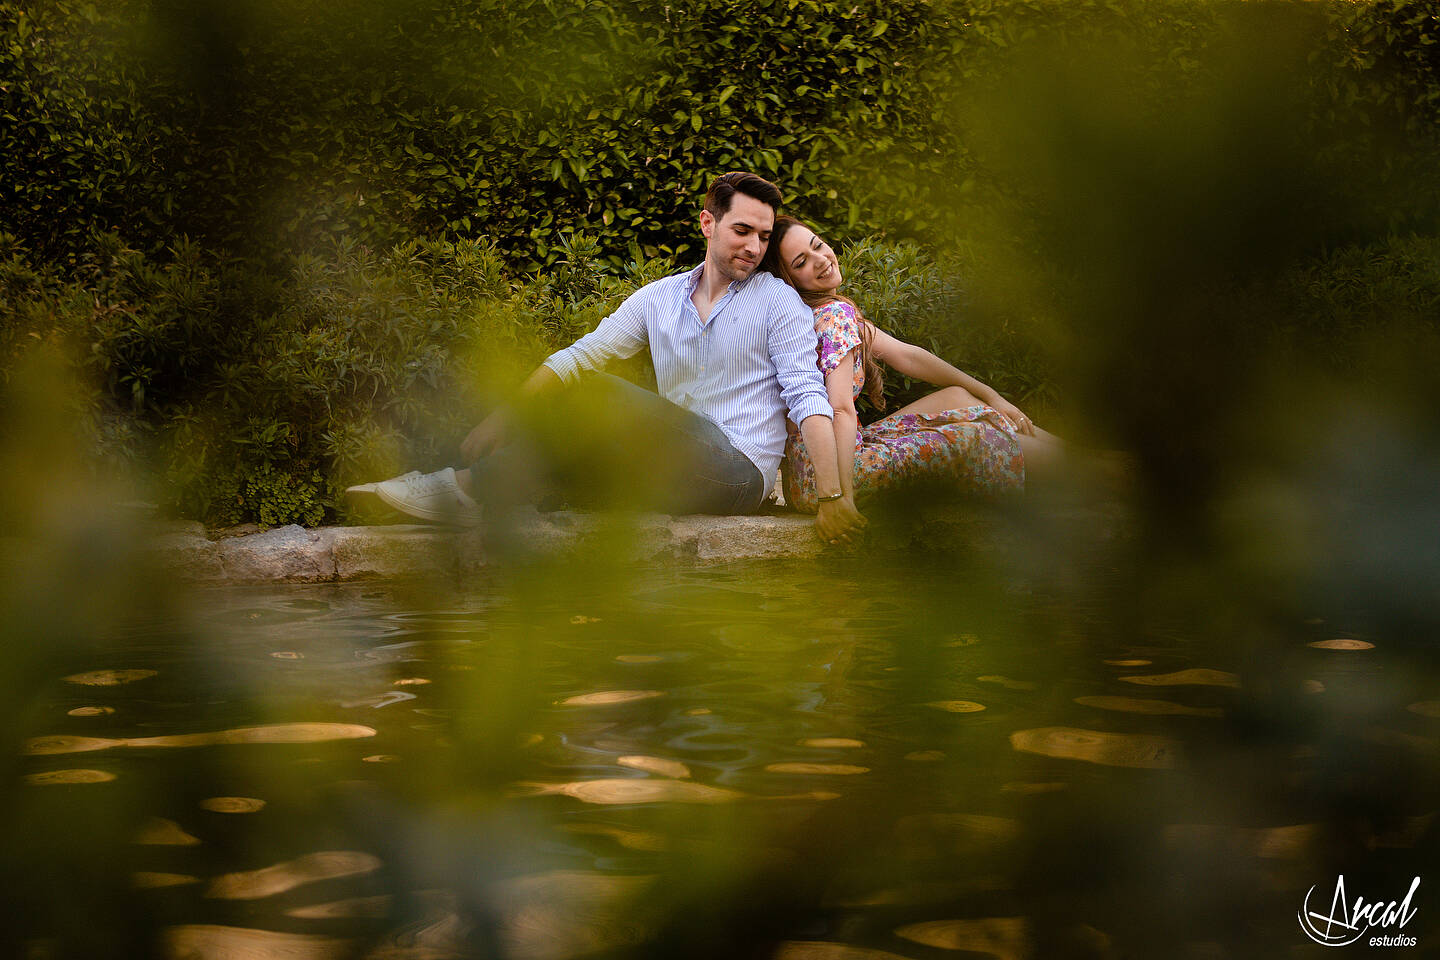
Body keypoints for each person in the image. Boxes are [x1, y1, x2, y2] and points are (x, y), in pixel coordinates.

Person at [356, 173, 867, 544]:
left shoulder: (776, 300)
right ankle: (471, 495)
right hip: (669, 469)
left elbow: (807, 396)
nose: (755, 246)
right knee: (575, 427)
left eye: (763, 235)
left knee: (599, 396)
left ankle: (459, 491)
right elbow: (577, 356)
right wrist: (504, 415)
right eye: (742, 231)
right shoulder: (657, 299)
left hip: (738, 474)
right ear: (708, 224)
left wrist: (832, 497)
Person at [758, 215, 1070, 517]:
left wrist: (993, 395)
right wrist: (841, 499)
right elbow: (840, 409)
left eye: (818, 245)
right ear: (790, 281)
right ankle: (1084, 472)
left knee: (956, 398)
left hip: (806, 478)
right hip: (833, 478)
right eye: (801, 262)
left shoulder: (808, 316)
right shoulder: (833, 315)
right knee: (978, 436)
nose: (821, 259)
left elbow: (910, 357)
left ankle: (1074, 455)